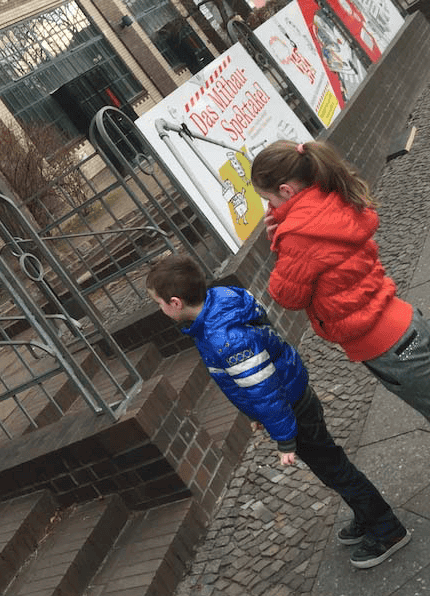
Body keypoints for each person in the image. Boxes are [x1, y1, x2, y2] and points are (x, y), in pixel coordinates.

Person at [146, 254, 410, 568]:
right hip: (294, 392)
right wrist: (256, 415)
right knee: (331, 465)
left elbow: (264, 388)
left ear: (175, 303)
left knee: (334, 468)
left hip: (291, 407)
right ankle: (367, 514)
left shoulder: (224, 338)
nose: (160, 309)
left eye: (159, 303)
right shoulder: (221, 300)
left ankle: (387, 529)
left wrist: (285, 438)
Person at [251, 139, 430, 424]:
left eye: (268, 199)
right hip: (404, 323)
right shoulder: (331, 195)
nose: (269, 207)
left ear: (286, 191)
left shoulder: (297, 234)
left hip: (390, 347)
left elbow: (287, 296)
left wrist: (279, 242)